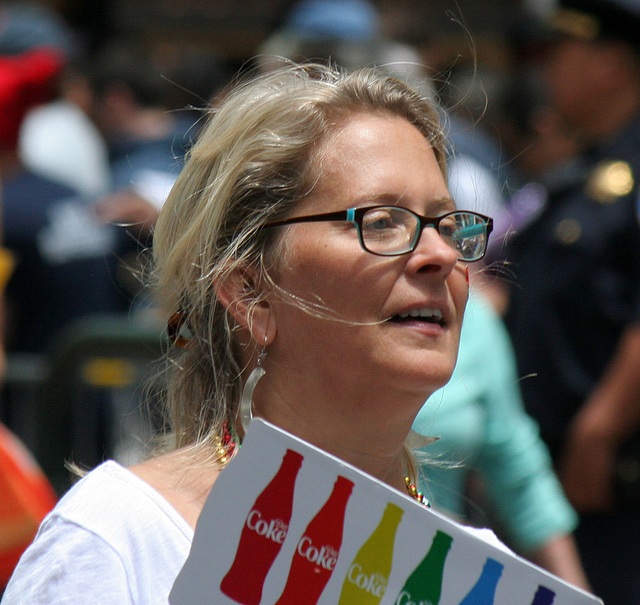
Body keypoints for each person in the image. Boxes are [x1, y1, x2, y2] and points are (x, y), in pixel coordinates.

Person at [1, 62, 494, 602]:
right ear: (250, 292)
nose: (441, 255)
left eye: (448, 225)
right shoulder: (120, 542)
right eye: (381, 222)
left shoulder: (482, 578)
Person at [502, 1, 640, 602]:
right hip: (558, 474)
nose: (546, 69)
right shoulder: (589, 170)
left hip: (609, 478)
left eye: (560, 53)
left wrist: (601, 430)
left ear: (612, 64)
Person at [413, 290, 588, 588]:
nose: (441, 254)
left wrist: (577, 593)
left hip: (429, 575)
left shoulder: (475, 322)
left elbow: (518, 472)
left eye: (450, 240)